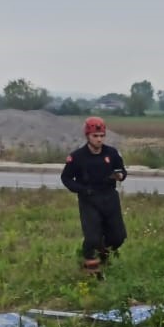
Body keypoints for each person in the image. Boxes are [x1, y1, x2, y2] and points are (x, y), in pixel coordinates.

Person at [60, 117, 128, 273]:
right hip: (89, 198)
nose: (99, 139)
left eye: (102, 136)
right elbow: (66, 178)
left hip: (109, 197)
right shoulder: (77, 157)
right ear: (87, 136)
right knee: (92, 238)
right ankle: (90, 269)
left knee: (118, 237)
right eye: (95, 136)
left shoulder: (112, 153)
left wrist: (120, 176)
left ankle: (104, 256)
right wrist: (82, 190)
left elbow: (122, 171)